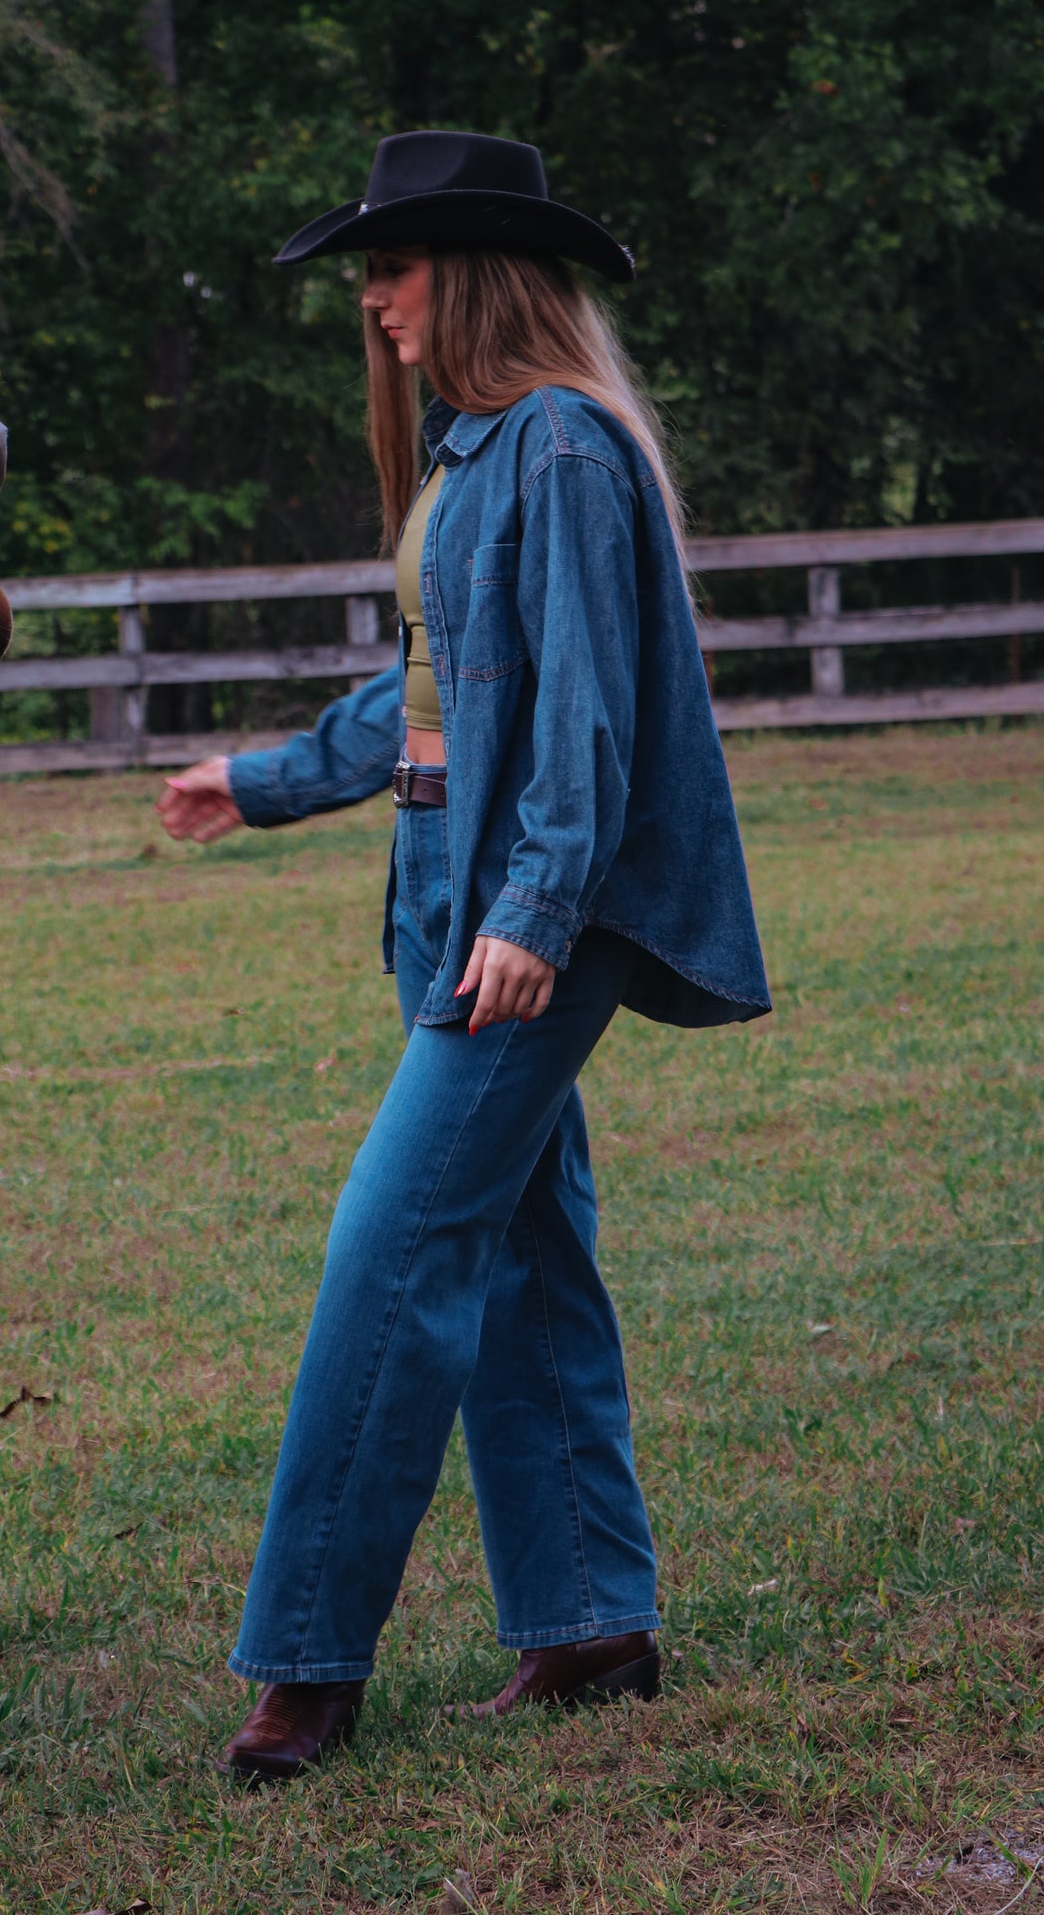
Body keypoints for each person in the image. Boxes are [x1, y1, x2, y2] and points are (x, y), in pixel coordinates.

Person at [157, 130, 770, 1782]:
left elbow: (584, 710)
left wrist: (533, 911)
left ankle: (307, 1664)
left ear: (479, 272)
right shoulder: (476, 450)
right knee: (519, 1258)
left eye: (394, 266)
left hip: (520, 912)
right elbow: (440, 684)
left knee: (392, 1249)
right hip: (453, 892)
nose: (373, 299)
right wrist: (264, 779)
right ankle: (590, 1625)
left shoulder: (560, 443)